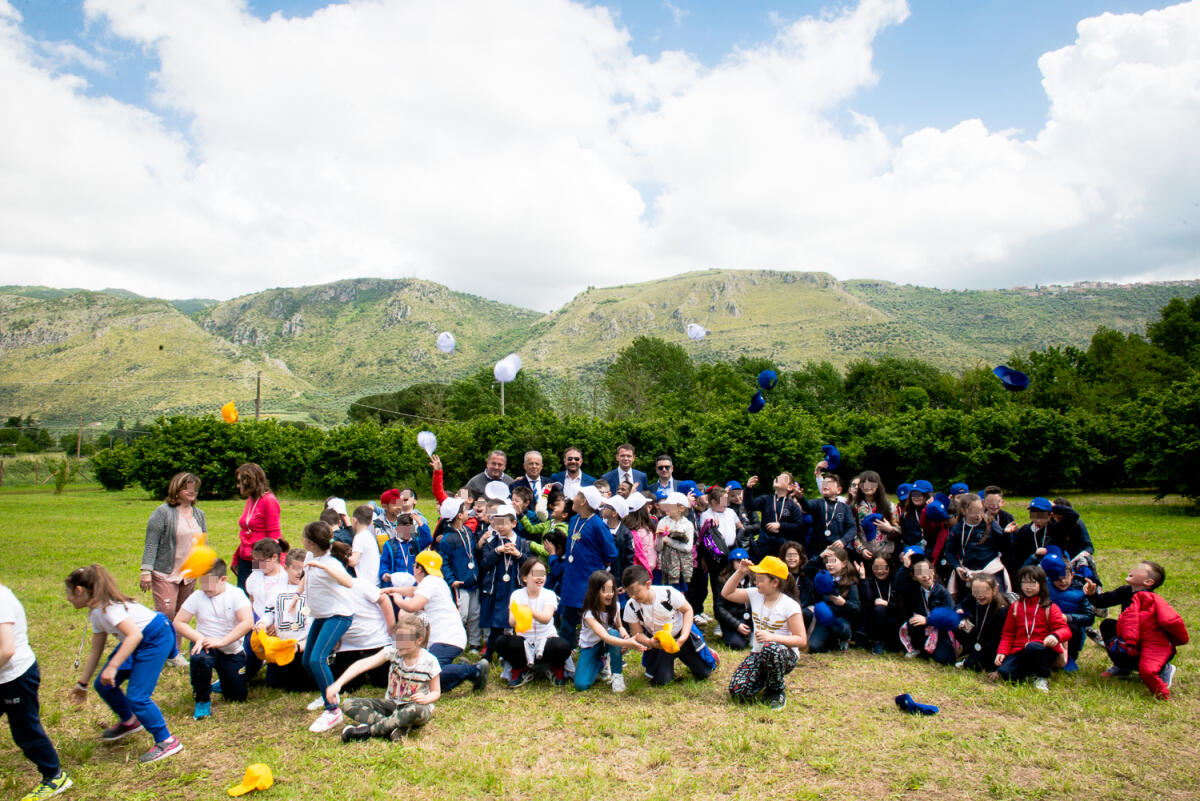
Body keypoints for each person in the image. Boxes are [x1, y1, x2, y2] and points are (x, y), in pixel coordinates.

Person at [65, 564, 182, 763]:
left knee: (137, 696)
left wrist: (112, 667)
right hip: (139, 640)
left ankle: (167, 740)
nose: (67, 598)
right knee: (103, 684)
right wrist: (82, 683)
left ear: (79, 590)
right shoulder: (96, 612)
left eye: (68, 593)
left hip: (155, 638)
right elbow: (96, 650)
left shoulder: (109, 609)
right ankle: (130, 721)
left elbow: (134, 635)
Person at [0, 579, 71, 801]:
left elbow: (7, 649)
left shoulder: (1, 599)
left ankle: (54, 776)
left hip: (16, 676)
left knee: (25, 730)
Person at [381, 550, 488, 696]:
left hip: (447, 638)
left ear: (419, 568)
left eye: (415, 566)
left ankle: (473, 670)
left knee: (429, 673)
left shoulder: (430, 582)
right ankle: (461, 670)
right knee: (430, 682)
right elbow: (414, 590)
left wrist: (398, 600)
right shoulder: (436, 582)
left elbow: (413, 605)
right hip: (447, 637)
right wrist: (393, 589)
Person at [332, 612, 441, 743]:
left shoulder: (430, 661)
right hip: (392, 705)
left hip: (415, 709)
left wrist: (426, 698)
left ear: (419, 640)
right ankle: (393, 728)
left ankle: (367, 732)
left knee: (415, 710)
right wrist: (338, 683)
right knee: (348, 704)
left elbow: (436, 692)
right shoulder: (393, 652)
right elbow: (364, 664)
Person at [1089, 561, 1188, 698]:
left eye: (1138, 569)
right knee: (1108, 625)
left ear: (1148, 581)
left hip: (1151, 643)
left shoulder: (1153, 601)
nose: (1133, 569)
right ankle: (1122, 666)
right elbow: (1101, 602)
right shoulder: (1125, 591)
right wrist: (1092, 593)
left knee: (1148, 658)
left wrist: (1175, 642)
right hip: (1130, 637)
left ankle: (1164, 668)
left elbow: (1170, 622)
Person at [722, 555, 807, 710]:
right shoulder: (755, 594)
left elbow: (801, 640)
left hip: (783, 655)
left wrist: (772, 637)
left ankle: (776, 690)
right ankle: (765, 677)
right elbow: (727, 593)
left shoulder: (790, 606)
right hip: (758, 653)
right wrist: (740, 572)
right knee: (738, 690)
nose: (756, 583)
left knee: (770, 648)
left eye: (761, 579)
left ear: (775, 583)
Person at [139, 471, 206, 665]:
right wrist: (146, 571)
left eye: (194, 488)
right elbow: (151, 544)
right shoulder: (163, 513)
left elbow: (202, 544)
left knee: (182, 615)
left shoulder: (199, 515)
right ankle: (167, 652)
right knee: (166, 613)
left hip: (189, 573)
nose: (191, 492)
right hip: (165, 572)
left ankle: (174, 652)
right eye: (187, 488)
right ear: (176, 490)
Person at [172, 559, 253, 719]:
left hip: (230, 648)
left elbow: (247, 622)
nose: (205, 589)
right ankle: (202, 700)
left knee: (237, 697)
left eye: (209, 586)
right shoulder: (197, 596)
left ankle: (223, 682)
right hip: (206, 645)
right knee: (199, 660)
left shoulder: (236, 594)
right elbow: (179, 622)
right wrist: (199, 638)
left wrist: (222, 642)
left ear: (223, 579)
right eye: (202, 584)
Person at [298, 522, 356, 733]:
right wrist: (296, 597)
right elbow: (306, 578)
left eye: (304, 537)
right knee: (307, 660)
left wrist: (325, 567)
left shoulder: (331, 563)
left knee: (317, 659)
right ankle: (327, 693)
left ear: (311, 542)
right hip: (321, 616)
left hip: (338, 616)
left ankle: (333, 710)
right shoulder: (310, 557)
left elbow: (348, 583)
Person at [621, 565, 713, 686]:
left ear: (648, 585)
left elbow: (688, 610)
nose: (633, 596)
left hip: (681, 635)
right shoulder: (631, 606)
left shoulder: (668, 594)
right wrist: (650, 643)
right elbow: (637, 633)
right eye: (629, 593)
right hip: (660, 643)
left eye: (636, 591)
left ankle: (707, 653)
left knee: (704, 674)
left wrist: (684, 636)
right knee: (662, 682)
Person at [495, 559, 572, 687]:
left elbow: (546, 618)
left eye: (543, 574)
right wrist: (520, 612)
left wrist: (530, 611)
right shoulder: (517, 594)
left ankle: (554, 668)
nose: (540, 578)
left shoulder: (549, 594)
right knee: (501, 642)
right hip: (524, 640)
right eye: (535, 574)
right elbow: (511, 622)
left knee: (562, 646)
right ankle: (520, 668)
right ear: (525, 578)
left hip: (546, 640)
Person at [994, 565, 1070, 692]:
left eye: (1032, 583)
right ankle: (1030, 672)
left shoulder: (1050, 607)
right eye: (1024, 582)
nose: (1028, 587)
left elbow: (1065, 630)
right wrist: (1002, 652)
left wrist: (1055, 636)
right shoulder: (1015, 606)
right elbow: (1008, 633)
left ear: (1041, 584)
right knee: (1005, 673)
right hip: (1021, 649)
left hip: (1043, 649)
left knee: (1033, 647)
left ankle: (1042, 676)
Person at [560, 486, 618, 647]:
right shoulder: (574, 520)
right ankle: (565, 655)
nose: (573, 499)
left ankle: (600, 653)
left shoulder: (598, 524)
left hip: (589, 581)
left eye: (577, 496)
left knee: (594, 618)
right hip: (571, 578)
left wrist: (596, 566)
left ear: (584, 501)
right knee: (567, 620)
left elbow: (611, 553)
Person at [575, 571, 643, 692]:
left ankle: (617, 675)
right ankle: (602, 663)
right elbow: (604, 636)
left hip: (609, 642)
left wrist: (625, 636)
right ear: (595, 592)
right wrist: (628, 643)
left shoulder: (615, 606)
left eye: (611, 590)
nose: (609, 594)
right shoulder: (589, 613)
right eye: (604, 590)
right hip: (591, 646)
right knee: (581, 685)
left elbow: (619, 626)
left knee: (614, 633)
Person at [478, 504, 530, 659]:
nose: (499, 526)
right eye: (496, 522)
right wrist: (497, 551)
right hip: (497, 588)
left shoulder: (522, 542)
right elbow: (484, 563)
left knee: (517, 622)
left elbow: (530, 565)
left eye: (503, 523)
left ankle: (518, 654)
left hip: (515, 587)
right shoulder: (492, 542)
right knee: (497, 621)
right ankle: (489, 654)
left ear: (513, 523)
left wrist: (518, 555)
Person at [890, 553, 956, 664]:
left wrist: (927, 620)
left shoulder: (942, 592)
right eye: (920, 574)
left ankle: (936, 649)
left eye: (927, 571)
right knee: (913, 621)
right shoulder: (914, 589)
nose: (925, 576)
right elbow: (898, 585)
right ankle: (917, 647)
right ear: (914, 577)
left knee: (943, 659)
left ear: (933, 571)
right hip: (920, 629)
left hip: (939, 629)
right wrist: (905, 566)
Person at [436, 497, 483, 653]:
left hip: (473, 581)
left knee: (475, 613)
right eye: (464, 510)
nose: (467, 512)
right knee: (460, 615)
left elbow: (473, 552)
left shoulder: (468, 531)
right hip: (459, 583)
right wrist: (451, 580)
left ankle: (475, 643)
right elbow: (443, 561)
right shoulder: (447, 539)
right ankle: (455, 642)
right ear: (459, 516)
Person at [243, 537, 291, 683]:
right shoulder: (255, 576)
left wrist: (275, 624)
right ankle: (246, 673)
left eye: (261, 561)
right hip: (258, 619)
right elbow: (252, 599)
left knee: (274, 673)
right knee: (250, 652)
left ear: (274, 557)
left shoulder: (285, 579)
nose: (256, 564)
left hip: (277, 623)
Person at [945, 494, 1010, 598]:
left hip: (991, 571)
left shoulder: (991, 524)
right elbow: (949, 551)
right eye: (973, 512)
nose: (978, 515)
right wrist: (957, 566)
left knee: (997, 601)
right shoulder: (957, 529)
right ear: (964, 511)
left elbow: (1005, 546)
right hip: (968, 574)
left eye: (980, 510)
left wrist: (1007, 534)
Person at [233, 463, 281, 590]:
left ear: (250, 481)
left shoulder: (269, 501)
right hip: (246, 557)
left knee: (257, 595)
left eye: (240, 481)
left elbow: (275, 536)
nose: (238, 486)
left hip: (261, 559)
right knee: (242, 598)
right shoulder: (251, 500)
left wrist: (279, 566)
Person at [1043, 557, 1094, 673]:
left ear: (1072, 574)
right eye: (1058, 578)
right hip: (1047, 628)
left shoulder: (1081, 591)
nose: (1063, 581)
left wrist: (1069, 617)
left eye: (1066, 577)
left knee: (1072, 628)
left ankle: (1069, 657)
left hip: (1071, 632)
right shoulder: (1045, 588)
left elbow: (1089, 617)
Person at [808, 545, 861, 653]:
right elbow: (806, 570)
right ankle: (831, 641)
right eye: (827, 562)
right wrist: (820, 556)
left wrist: (844, 603)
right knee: (813, 647)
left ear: (844, 563)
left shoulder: (850, 582)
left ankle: (845, 638)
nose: (829, 565)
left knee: (843, 629)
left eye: (833, 561)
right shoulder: (822, 577)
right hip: (825, 618)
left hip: (841, 618)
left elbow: (856, 608)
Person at [955, 574, 1008, 674]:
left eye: (984, 591)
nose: (979, 595)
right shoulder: (974, 598)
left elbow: (996, 639)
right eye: (975, 591)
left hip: (993, 646)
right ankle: (967, 651)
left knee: (972, 665)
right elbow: (960, 605)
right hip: (979, 637)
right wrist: (959, 612)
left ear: (995, 590)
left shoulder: (1001, 609)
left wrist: (977, 654)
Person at [743, 474, 803, 561]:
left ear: (790, 487)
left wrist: (780, 525)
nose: (778, 478)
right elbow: (749, 505)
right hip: (764, 544)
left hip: (783, 546)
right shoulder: (766, 499)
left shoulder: (793, 506)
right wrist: (748, 488)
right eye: (777, 477)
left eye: (784, 478)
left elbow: (798, 525)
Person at [801, 470, 857, 555]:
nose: (826, 485)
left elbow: (852, 528)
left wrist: (843, 540)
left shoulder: (845, 507)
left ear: (838, 490)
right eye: (824, 483)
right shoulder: (817, 503)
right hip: (817, 549)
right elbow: (807, 506)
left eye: (830, 483)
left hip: (838, 548)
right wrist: (800, 497)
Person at [858, 553, 899, 655]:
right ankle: (878, 641)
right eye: (876, 567)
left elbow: (902, 606)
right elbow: (866, 600)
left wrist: (887, 604)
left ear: (890, 566)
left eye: (884, 567)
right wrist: (863, 578)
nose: (880, 571)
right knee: (879, 609)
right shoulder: (870, 581)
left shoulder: (896, 581)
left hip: (894, 620)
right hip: (876, 621)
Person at [655, 492, 694, 594]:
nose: (667, 508)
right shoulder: (663, 522)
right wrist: (659, 538)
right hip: (663, 565)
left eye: (670, 505)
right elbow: (658, 548)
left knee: (678, 594)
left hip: (680, 567)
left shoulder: (688, 525)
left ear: (681, 508)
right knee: (663, 594)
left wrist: (669, 541)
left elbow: (687, 548)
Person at [348, 505, 381, 588]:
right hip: (375, 581)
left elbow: (353, 561)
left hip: (367, 583)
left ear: (354, 520)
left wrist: (339, 557)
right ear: (370, 522)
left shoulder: (359, 537)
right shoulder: (369, 536)